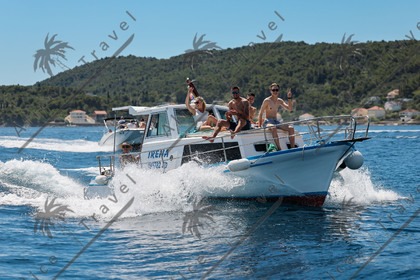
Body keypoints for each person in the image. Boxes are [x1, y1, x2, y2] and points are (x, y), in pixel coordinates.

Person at [258, 83, 295, 150]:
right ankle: (279, 148)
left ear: (278, 91)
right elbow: (260, 113)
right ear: (270, 91)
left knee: (291, 128)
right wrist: (259, 126)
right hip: (268, 121)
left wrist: (289, 98)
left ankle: (293, 148)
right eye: (273, 90)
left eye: (276, 90)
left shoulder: (279, 100)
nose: (275, 91)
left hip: (276, 121)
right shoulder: (267, 100)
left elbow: (290, 109)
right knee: (273, 127)